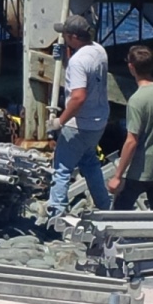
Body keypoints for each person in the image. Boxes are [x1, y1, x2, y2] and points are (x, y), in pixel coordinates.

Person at [45, 15, 113, 219]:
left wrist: (60, 121)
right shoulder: (99, 50)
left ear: (74, 36)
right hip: (98, 120)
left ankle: (55, 215)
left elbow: (78, 97)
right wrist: (65, 59)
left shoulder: (78, 61)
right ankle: (105, 207)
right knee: (89, 162)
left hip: (78, 125)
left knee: (62, 168)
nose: (63, 37)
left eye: (65, 34)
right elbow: (88, 78)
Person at [106, 45, 153, 211]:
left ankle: (116, 237)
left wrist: (117, 175)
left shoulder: (136, 100)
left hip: (140, 169)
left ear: (131, 67)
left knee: (121, 208)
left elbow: (132, 141)